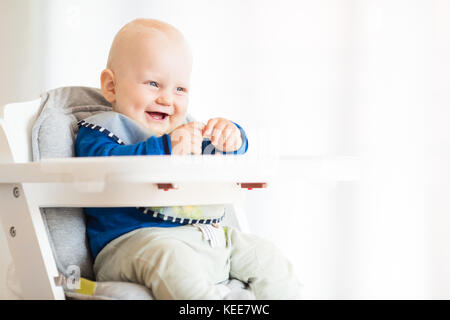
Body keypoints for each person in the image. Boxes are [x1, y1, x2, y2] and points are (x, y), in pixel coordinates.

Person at [75, 18, 301, 299]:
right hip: (137, 244)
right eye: (154, 83)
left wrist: (232, 140)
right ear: (111, 86)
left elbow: (222, 160)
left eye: (180, 89)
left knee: (266, 256)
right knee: (171, 259)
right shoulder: (102, 130)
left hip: (210, 239)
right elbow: (105, 165)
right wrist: (165, 147)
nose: (167, 99)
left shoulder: (186, 132)